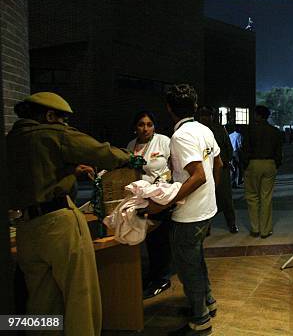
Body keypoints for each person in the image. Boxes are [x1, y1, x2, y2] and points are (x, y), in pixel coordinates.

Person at [7, 92, 130, 335]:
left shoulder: (11, 141)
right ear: (50, 115)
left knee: (41, 301)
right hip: (58, 223)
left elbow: (37, 173)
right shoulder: (51, 133)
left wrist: (69, 171)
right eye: (63, 120)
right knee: (80, 296)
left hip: (26, 228)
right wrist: (129, 158)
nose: (65, 126)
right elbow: (102, 152)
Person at [146, 84, 223, 336]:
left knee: (188, 266)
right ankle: (208, 302)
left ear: (169, 108)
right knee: (196, 259)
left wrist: (166, 202)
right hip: (206, 209)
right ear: (195, 106)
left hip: (189, 214)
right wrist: (211, 196)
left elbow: (198, 175)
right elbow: (218, 165)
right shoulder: (204, 129)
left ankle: (200, 319)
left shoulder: (180, 137)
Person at [126, 111, 174, 299]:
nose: (145, 128)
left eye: (149, 124)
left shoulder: (163, 141)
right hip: (139, 197)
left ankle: (162, 278)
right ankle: (153, 274)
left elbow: (174, 165)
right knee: (144, 237)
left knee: (159, 239)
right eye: (141, 124)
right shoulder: (131, 145)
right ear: (135, 127)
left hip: (159, 197)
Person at [243, 105, 283, 238]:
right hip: (270, 163)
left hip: (253, 163)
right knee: (266, 197)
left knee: (252, 196)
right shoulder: (275, 131)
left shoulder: (250, 130)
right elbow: (279, 152)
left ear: (257, 115)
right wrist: (276, 164)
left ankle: (255, 228)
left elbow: (245, 149)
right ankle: (265, 230)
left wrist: (245, 164)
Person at [198, 106, 239, 233]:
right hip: (204, 170)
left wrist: (226, 162)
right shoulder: (197, 131)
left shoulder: (220, 129)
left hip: (221, 169)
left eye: (208, 115)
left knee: (226, 198)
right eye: (203, 115)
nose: (206, 118)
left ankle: (231, 224)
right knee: (205, 199)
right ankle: (207, 227)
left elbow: (229, 148)